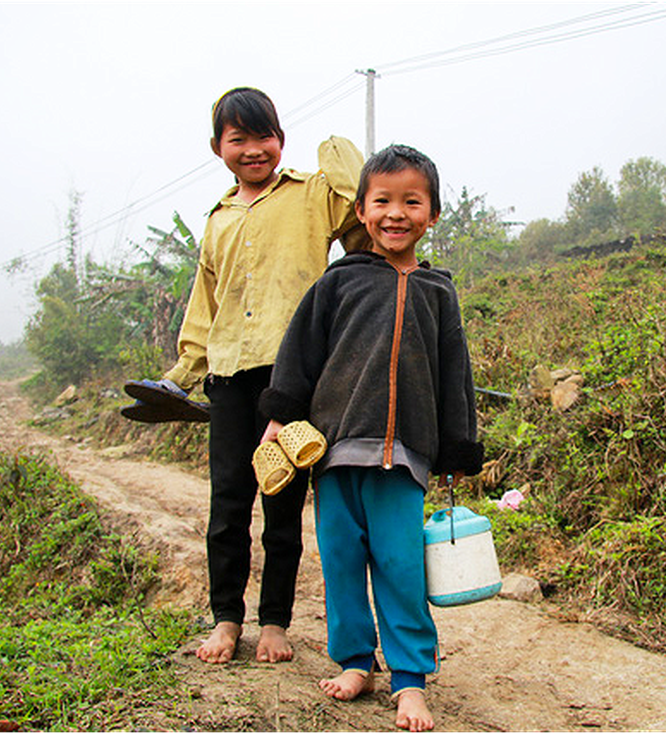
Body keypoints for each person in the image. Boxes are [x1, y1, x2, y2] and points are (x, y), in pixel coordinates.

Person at [135, 87, 369, 665]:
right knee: (229, 504)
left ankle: (275, 623)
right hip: (229, 377)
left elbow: (362, 207)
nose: (253, 149)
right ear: (218, 148)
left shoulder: (313, 193)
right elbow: (204, 305)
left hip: (293, 376)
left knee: (283, 504)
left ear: (280, 140)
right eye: (238, 139)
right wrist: (182, 375)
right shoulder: (217, 219)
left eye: (263, 135)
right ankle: (225, 620)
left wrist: (332, 148)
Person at [256, 144, 484, 733]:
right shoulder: (340, 282)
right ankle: (356, 662)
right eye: (382, 200)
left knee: (400, 566)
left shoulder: (439, 293)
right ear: (361, 210)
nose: (395, 213)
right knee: (341, 561)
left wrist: (458, 447)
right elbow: (300, 351)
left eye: (412, 201)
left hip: (405, 456)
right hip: (332, 452)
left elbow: (454, 373)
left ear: (432, 214)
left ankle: (409, 679)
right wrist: (281, 413)